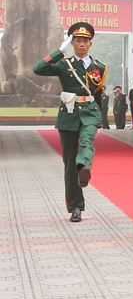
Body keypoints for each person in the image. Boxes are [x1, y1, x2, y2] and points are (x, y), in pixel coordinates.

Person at [33, 22, 107, 223]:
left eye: (85, 41)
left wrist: (100, 120)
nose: (82, 44)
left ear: (90, 44)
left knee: (87, 141)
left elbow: (97, 94)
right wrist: (59, 50)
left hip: (90, 113)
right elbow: (38, 68)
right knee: (69, 164)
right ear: (72, 42)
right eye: (78, 41)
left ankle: (84, 166)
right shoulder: (64, 64)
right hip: (69, 114)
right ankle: (75, 206)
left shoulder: (99, 67)